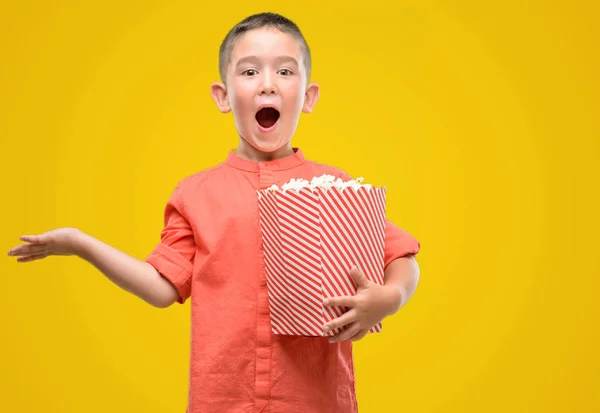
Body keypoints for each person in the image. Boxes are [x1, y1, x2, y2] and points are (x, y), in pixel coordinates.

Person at [7, 12, 421, 413]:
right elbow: (160, 288)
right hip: (221, 403)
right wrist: (81, 244)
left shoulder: (335, 188)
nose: (267, 86)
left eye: (285, 71)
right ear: (222, 97)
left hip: (316, 402)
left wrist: (389, 297)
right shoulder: (195, 194)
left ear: (308, 96)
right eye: (249, 72)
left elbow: (400, 256)